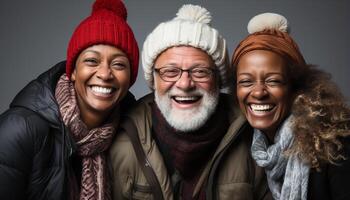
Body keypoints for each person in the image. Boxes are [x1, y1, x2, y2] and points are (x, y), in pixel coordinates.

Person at [110, 4, 271, 200]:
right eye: (170, 71)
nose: (185, 84)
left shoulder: (253, 138)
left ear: (218, 80)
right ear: (154, 81)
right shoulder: (123, 142)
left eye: (200, 71)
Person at [0, 0, 139, 199]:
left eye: (118, 65)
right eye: (92, 60)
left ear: (130, 79)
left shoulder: (134, 132)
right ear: (73, 71)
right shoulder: (19, 130)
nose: (105, 74)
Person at [231, 13, 350, 200]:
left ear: (296, 88)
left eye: (273, 81)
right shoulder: (246, 142)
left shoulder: (335, 146)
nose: (258, 92)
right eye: (246, 82)